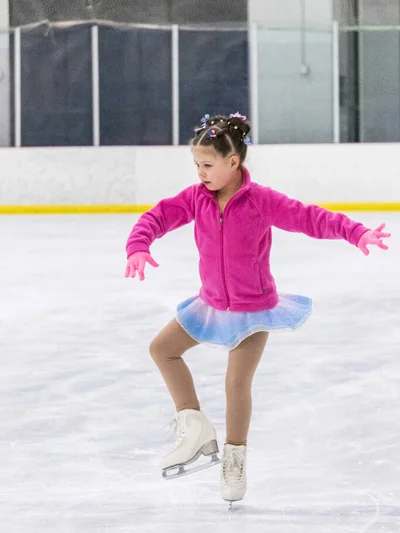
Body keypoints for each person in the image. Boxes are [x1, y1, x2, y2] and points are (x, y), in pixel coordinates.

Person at [124, 113, 390, 507]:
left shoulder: (261, 201)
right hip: (211, 304)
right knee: (163, 349)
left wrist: (355, 232)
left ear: (234, 163)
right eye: (196, 165)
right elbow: (156, 217)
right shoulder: (196, 198)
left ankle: (234, 459)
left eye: (208, 165)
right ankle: (194, 426)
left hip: (253, 309)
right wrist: (139, 246)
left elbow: (309, 217)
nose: (201, 173)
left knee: (236, 384)